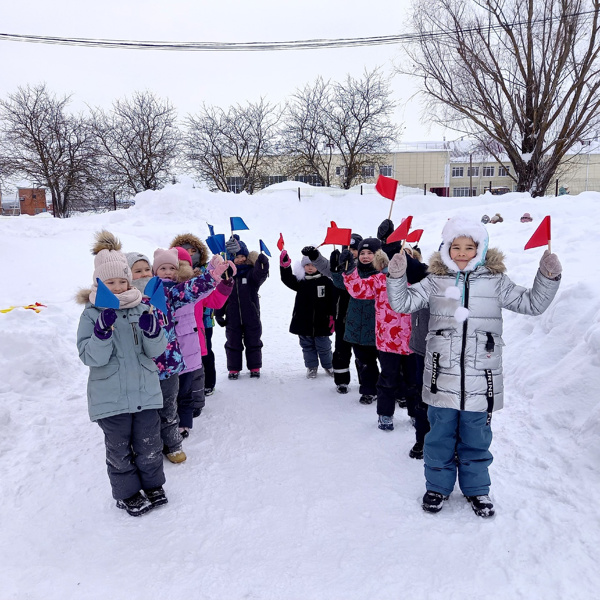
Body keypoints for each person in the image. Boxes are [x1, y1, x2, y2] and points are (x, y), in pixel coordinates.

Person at [386, 215, 562, 517]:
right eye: (456, 247)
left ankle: (477, 490)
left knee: (476, 438)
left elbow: (533, 304)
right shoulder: (435, 281)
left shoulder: (496, 282)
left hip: (482, 379)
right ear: (447, 248)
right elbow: (402, 303)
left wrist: (547, 278)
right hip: (442, 377)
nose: (463, 253)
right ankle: (437, 487)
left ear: (481, 249)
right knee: (439, 436)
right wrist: (397, 277)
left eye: (470, 246)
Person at [76, 231, 168, 517]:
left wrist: (152, 330)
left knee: (149, 443)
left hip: (145, 391)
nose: (116, 288)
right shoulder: (92, 314)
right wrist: (101, 333)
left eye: (121, 281)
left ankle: (153, 485)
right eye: (110, 283)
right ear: (99, 283)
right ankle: (127, 493)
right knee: (119, 450)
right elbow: (90, 357)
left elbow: (156, 349)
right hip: (111, 398)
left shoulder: (143, 307)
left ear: (129, 281)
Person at [152, 247, 228, 463]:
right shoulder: (149, 291)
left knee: (179, 395)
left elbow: (195, 290)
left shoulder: (177, 290)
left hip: (176, 356)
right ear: (154, 270)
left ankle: (176, 434)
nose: (167, 272)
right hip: (153, 358)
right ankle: (155, 437)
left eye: (171, 268)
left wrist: (212, 275)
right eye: (162, 268)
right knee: (159, 401)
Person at [341, 244, 412, 430]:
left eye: (406, 258)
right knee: (387, 379)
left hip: (413, 343)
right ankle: (385, 414)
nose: (401, 262)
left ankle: (416, 413)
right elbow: (358, 289)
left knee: (413, 381)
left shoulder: (417, 283)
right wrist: (350, 271)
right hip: (387, 342)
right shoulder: (380, 280)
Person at [172, 246, 234, 434]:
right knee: (176, 379)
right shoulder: (165, 291)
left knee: (196, 375)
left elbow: (215, 301)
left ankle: (197, 404)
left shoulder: (195, 289)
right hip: (172, 344)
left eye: (184, 266)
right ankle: (175, 406)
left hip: (195, 339)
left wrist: (225, 282)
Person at [332, 237, 381, 405]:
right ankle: (368, 390)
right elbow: (340, 283)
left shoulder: (383, 273)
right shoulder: (353, 271)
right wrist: (338, 268)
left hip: (379, 327)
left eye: (370, 253)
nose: (366, 256)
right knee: (365, 362)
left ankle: (397, 392)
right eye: (362, 253)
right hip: (357, 327)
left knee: (390, 365)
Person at [170, 233, 219, 398]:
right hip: (181, 323)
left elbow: (214, 293)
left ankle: (207, 384)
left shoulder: (206, 270)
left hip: (204, 320)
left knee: (205, 352)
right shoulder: (172, 274)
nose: (190, 254)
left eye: (193, 250)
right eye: (185, 251)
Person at [215, 235, 269, 379]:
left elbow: (260, 274)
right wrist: (219, 313)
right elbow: (221, 296)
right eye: (235, 257)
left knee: (254, 341)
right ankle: (233, 369)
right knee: (233, 342)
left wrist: (262, 264)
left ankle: (254, 367)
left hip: (251, 315)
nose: (239, 259)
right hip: (232, 317)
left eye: (242, 256)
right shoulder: (227, 277)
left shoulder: (251, 274)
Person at [279, 248, 336, 378]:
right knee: (307, 346)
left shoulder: (326, 282)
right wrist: (285, 266)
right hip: (303, 322)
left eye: (313, 265)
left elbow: (334, 300)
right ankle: (311, 367)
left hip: (322, 322)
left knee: (324, 347)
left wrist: (333, 317)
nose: (310, 268)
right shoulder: (301, 282)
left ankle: (328, 366)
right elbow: (287, 278)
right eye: (307, 265)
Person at [328, 234, 362, 394]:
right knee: (341, 350)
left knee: (363, 353)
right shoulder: (339, 269)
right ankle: (341, 380)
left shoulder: (365, 268)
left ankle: (366, 382)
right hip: (342, 317)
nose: (352, 252)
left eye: (355, 249)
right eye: (348, 249)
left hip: (362, 319)